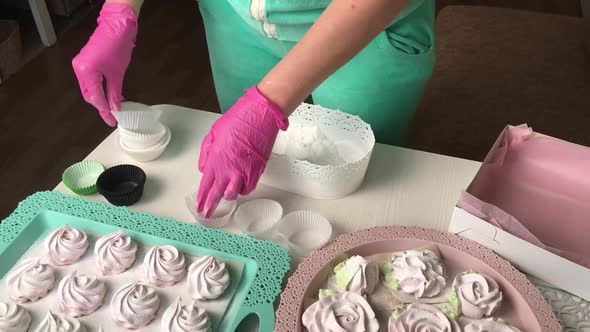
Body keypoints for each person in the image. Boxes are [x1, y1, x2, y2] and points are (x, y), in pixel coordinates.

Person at [72, 0, 435, 217]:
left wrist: (269, 102)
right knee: (250, 172)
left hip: (365, 25)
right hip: (237, 18)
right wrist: (119, 11)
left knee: (356, 190)